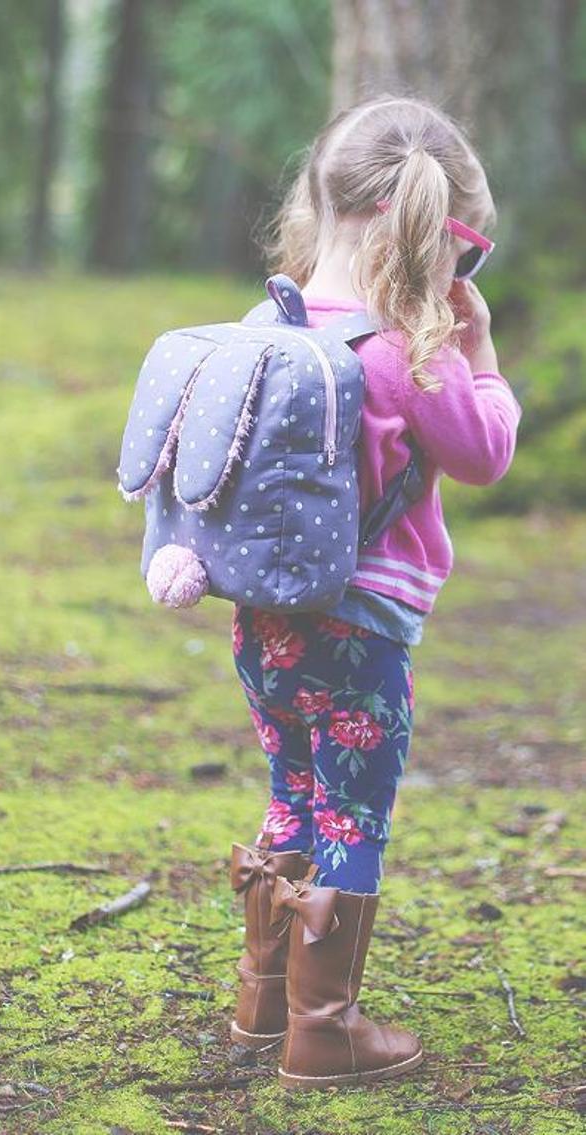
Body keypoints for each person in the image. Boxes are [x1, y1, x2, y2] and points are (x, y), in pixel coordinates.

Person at [228, 93, 522, 1089]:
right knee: (353, 812)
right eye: (463, 256)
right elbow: (484, 454)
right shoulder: (408, 354)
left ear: (320, 203)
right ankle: (326, 1027)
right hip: (361, 635)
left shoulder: (266, 323)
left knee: (293, 794)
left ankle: (260, 999)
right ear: (439, 237)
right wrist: (475, 347)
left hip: (262, 627)